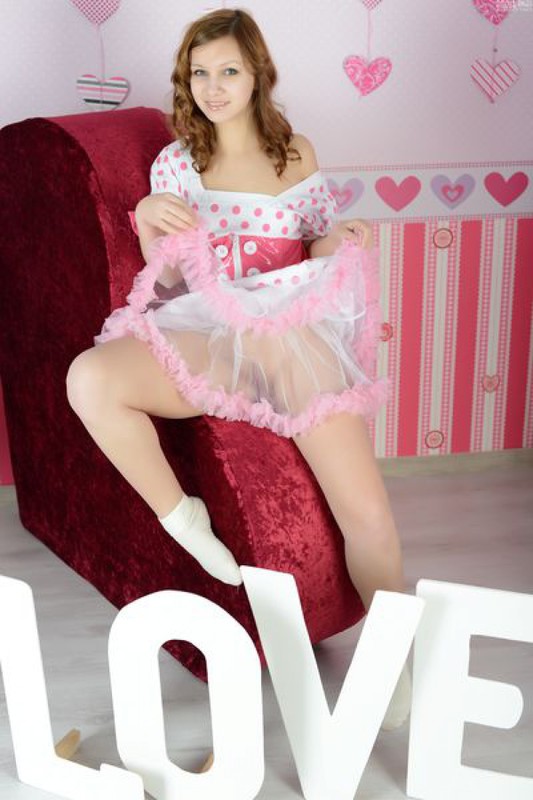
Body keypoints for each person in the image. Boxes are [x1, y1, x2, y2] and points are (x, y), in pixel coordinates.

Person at [66, 7, 410, 729]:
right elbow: (167, 277)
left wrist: (340, 239)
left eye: (228, 71)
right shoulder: (176, 164)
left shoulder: (296, 155)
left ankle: (394, 668)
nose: (213, 87)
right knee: (89, 378)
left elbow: (314, 245)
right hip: (213, 331)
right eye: (200, 73)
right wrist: (145, 220)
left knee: (368, 514)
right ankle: (182, 518)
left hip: (291, 336)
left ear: (257, 75)